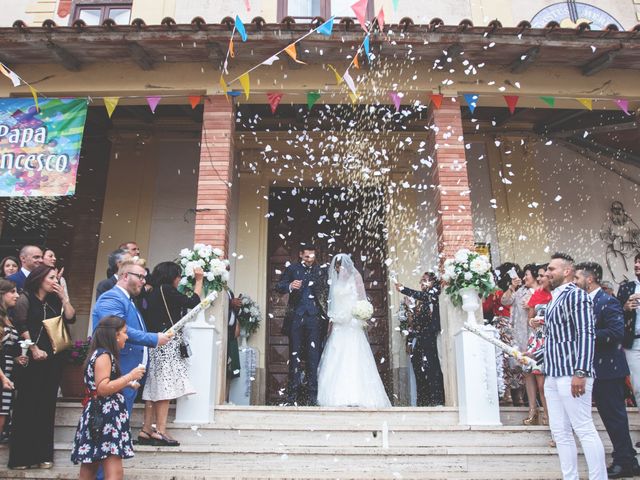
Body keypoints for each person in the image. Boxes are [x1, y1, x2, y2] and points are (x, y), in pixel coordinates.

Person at [544, 253, 606, 480]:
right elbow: (559, 337)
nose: (547, 273)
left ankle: (599, 478)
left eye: (552, 269)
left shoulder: (576, 295)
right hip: (552, 372)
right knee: (560, 431)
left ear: (566, 271)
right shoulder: (554, 298)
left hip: (572, 371)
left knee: (584, 428)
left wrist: (581, 371)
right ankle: (569, 477)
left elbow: (586, 333)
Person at [575, 262, 639, 478]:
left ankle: (625, 461)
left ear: (590, 279)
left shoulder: (607, 301)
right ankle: (627, 457)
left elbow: (615, 332)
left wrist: (586, 335)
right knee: (609, 416)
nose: (575, 282)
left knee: (614, 417)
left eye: (578, 277)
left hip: (609, 369)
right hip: (595, 368)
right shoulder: (584, 302)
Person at [9, 265, 76, 470]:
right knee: (27, 405)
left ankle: (43, 455)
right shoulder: (26, 298)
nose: (54, 281)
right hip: (32, 357)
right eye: (51, 277)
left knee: (47, 406)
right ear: (40, 279)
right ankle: (21, 457)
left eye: (56, 278)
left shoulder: (55, 301)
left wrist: (65, 297)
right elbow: (21, 325)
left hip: (53, 358)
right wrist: (34, 348)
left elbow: (71, 318)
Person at [92, 260, 171, 419]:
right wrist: (153, 338)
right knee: (113, 418)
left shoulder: (128, 300)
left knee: (122, 417)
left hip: (129, 368)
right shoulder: (112, 298)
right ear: (125, 276)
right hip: (119, 365)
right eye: (140, 277)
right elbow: (120, 329)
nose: (144, 281)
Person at [70, 316, 145, 480]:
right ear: (114, 335)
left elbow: (101, 385)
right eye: (124, 332)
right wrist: (129, 376)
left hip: (97, 413)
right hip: (105, 416)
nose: (127, 336)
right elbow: (102, 388)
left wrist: (127, 383)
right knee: (114, 472)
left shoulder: (98, 354)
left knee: (90, 465)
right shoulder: (104, 355)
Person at [317, 254, 390, 408]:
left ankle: (358, 395)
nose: (339, 270)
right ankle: (336, 397)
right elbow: (333, 303)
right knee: (336, 356)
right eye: (337, 267)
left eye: (341, 267)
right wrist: (332, 320)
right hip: (338, 324)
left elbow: (362, 299)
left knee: (353, 356)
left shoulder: (355, 278)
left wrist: (361, 314)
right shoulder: (335, 281)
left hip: (351, 324)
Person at [140, 261, 200, 447]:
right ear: (171, 276)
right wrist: (199, 281)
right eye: (178, 276)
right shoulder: (167, 290)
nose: (179, 279)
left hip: (152, 343)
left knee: (152, 387)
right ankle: (160, 430)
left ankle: (146, 429)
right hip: (166, 344)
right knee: (165, 387)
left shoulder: (151, 292)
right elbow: (194, 303)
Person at [275, 244, 328, 406]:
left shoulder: (321, 270)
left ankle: (313, 396)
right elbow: (279, 286)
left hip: (315, 319)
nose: (310, 259)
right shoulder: (292, 269)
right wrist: (290, 286)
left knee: (314, 357)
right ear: (300, 255)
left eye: (312, 256)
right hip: (296, 319)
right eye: (307, 256)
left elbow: (328, 292)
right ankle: (292, 396)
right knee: (294, 356)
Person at [395, 271, 444, 406]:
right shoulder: (421, 301)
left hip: (431, 337)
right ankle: (423, 400)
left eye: (426, 280)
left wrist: (404, 289)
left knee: (431, 368)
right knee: (417, 365)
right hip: (421, 337)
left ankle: (436, 399)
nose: (423, 283)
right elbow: (415, 322)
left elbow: (424, 296)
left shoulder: (433, 295)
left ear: (433, 283)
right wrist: (410, 340)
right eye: (421, 280)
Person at [522, 264, 552, 426]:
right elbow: (530, 318)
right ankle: (535, 411)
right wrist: (532, 321)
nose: (539, 279)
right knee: (532, 375)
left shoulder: (557, 294)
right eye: (538, 276)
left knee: (543, 383)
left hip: (551, 338)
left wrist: (542, 320)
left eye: (542, 275)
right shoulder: (538, 294)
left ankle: (549, 416)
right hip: (538, 338)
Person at [0, 279, 26, 442]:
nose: (17, 295)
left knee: (3, 414)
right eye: (13, 292)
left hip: (8, 375)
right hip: (3, 377)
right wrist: (3, 378)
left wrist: (16, 358)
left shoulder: (9, 317)